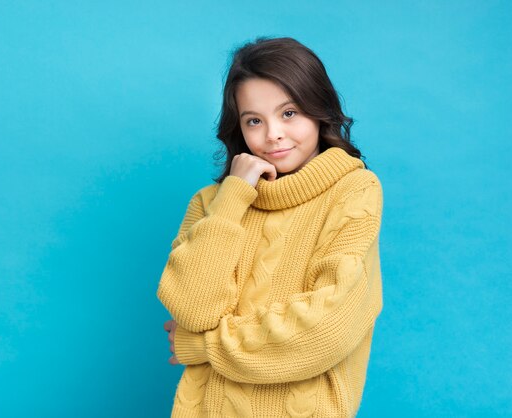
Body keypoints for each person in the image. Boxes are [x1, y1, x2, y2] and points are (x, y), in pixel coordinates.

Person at [156, 36, 384, 418]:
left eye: (289, 113)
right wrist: (233, 197)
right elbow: (193, 312)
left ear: (319, 109)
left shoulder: (353, 191)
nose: (273, 133)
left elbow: (326, 330)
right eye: (254, 121)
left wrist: (204, 347)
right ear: (238, 128)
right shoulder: (212, 204)